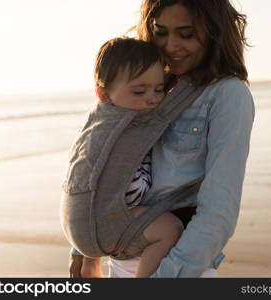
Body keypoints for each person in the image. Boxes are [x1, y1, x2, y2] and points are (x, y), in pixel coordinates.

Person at [69, 0, 255, 278]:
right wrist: (83, 248)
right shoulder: (145, 85)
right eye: (161, 32)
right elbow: (99, 161)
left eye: (186, 34)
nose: (170, 46)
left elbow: (219, 209)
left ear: (215, 33)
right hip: (121, 256)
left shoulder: (227, 95)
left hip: (176, 264)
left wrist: (166, 276)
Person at [64, 37, 192, 278]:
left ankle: (91, 263)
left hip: (79, 226)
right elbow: (166, 114)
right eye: (139, 91)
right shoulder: (128, 120)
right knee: (170, 229)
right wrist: (193, 82)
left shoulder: (96, 122)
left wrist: (79, 249)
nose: (153, 98)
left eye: (159, 88)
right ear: (104, 94)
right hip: (105, 226)